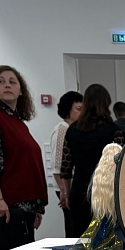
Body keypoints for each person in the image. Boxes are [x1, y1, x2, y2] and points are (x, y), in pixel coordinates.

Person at [0, 65, 48, 250]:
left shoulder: (17, 122)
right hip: (8, 205)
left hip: (24, 206)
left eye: (12, 82)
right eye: (1, 82)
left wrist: (35, 207)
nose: (7, 85)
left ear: (21, 91)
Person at [58, 84, 124, 238]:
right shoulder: (114, 130)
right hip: (107, 195)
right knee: (107, 242)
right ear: (106, 103)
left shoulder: (73, 130)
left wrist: (67, 194)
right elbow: (121, 167)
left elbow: (66, 168)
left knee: (81, 240)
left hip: (79, 192)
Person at [49, 90, 82, 239]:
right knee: (72, 227)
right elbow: (57, 164)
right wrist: (64, 190)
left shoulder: (74, 129)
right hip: (64, 186)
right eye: (78, 109)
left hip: (70, 186)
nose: (82, 113)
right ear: (68, 110)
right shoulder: (63, 129)